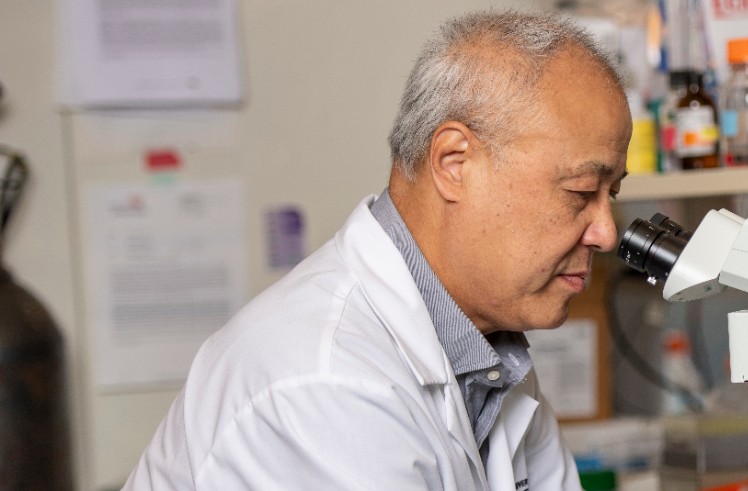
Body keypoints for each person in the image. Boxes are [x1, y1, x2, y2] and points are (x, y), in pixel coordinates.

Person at [124, 10, 631, 491]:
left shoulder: (488, 355)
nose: (605, 233)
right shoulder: (320, 379)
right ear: (455, 163)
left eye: (613, 194)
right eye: (581, 191)